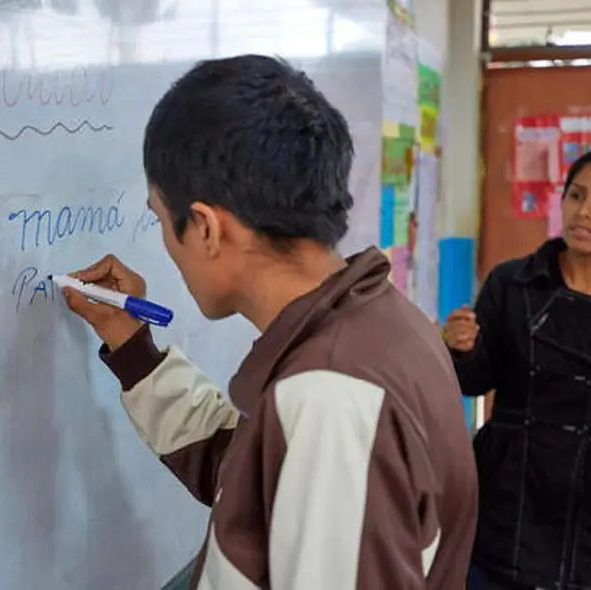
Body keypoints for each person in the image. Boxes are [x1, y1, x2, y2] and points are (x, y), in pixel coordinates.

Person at [61, 55, 478, 588]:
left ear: (207, 227)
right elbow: (250, 470)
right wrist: (131, 345)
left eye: (163, 222)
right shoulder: (384, 325)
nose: (167, 246)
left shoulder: (330, 394)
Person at [444, 146, 591, 589]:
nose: (585, 212)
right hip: (507, 491)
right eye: (576, 196)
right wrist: (461, 349)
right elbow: (476, 382)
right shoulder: (512, 282)